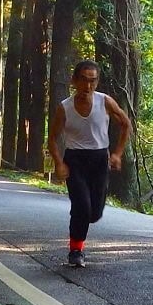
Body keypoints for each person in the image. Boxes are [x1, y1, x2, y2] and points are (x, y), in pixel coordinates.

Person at [47, 60, 131, 267]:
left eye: (93, 81)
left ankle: (83, 228)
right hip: (75, 160)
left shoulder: (105, 102)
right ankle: (76, 251)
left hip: (99, 160)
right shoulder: (64, 108)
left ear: (97, 82)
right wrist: (59, 163)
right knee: (82, 206)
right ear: (75, 81)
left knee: (94, 213)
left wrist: (118, 153)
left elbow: (125, 124)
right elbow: (52, 138)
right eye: (84, 80)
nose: (88, 86)